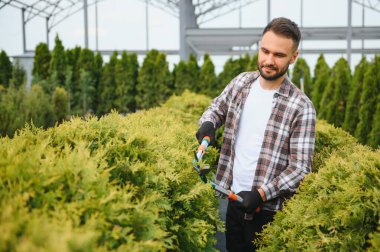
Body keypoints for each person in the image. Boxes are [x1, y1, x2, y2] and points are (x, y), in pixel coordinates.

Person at [196, 17, 316, 252]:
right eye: (265, 51)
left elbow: (300, 168)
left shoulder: (301, 107)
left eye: (279, 55)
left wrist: (262, 194)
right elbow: (216, 109)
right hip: (232, 201)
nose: (269, 60)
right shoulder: (241, 82)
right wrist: (208, 124)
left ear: (293, 57)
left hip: (268, 213)